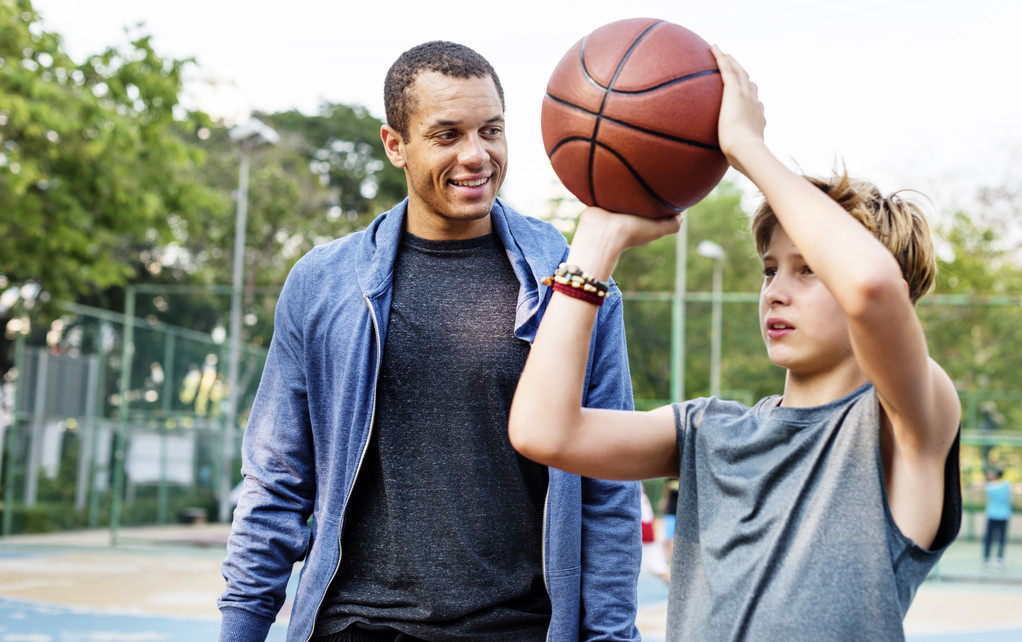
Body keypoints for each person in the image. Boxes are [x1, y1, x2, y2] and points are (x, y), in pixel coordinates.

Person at [508, 46, 962, 641]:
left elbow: (872, 286)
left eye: (808, 270)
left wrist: (746, 147)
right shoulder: (708, 432)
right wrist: (593, 248)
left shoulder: (903, 425)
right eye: (771, 270)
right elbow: (542, 431)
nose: (775, 291)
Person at [217, 41, 643, 642]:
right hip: (358, 626)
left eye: (491, 130)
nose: (477, 155)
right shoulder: (323, 285)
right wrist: (241, 628)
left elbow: (609, 489)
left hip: (518, 629)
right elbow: (278, 476)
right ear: (396, 145)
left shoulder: (572, 284)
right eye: (447, 135)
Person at [983, 467, 1012, 569]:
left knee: (990, 538)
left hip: (995, 515)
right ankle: (998, 559)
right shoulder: (1007, 485)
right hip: (1002, 515)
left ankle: (987, 559)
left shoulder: (989, 486)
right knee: (1001, 538)